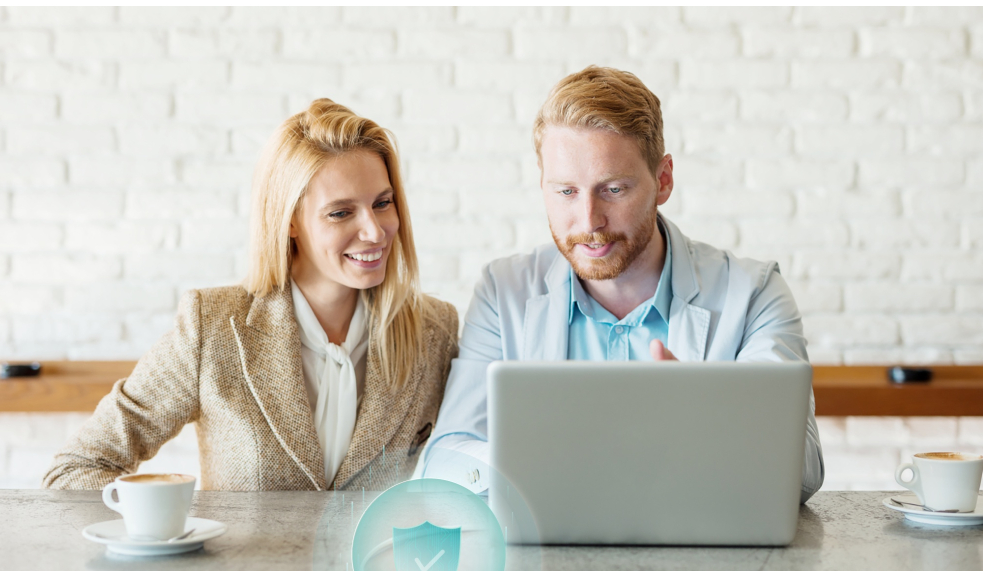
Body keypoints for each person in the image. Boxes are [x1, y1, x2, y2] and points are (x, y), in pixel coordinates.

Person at [422, 66, 824, 503]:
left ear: (663, 180)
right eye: (566, 192)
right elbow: (445, 460)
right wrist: (554, 460)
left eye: (613, 189)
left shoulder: (755, 294)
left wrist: (700, 416)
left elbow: (803, 469)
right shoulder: (504, 293)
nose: (589, 221)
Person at [44, 99, 458, 491]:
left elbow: (473, 461)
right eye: (340, 212)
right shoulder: (212, 328)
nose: (375, 230)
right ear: (289, 221)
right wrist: (164, 524)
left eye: (383, 203)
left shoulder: (434, 332)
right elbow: (74, 471)